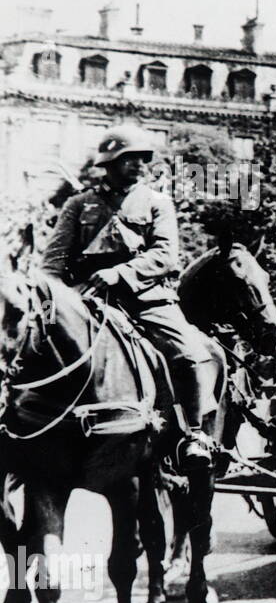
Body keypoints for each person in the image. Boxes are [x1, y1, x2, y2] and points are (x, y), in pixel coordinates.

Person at [41, 125, 218, 469]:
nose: (139, 164)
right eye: (129, 159)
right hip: (87, 298)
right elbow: (54, 260)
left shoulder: (157, 203)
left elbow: (165, 255)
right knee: (36, 346)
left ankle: (194, 434)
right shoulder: (79, 205)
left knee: (189, 354)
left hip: (147, 298)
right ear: (109, 163)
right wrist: (51, 300)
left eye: (142, 159)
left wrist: (118, 273)